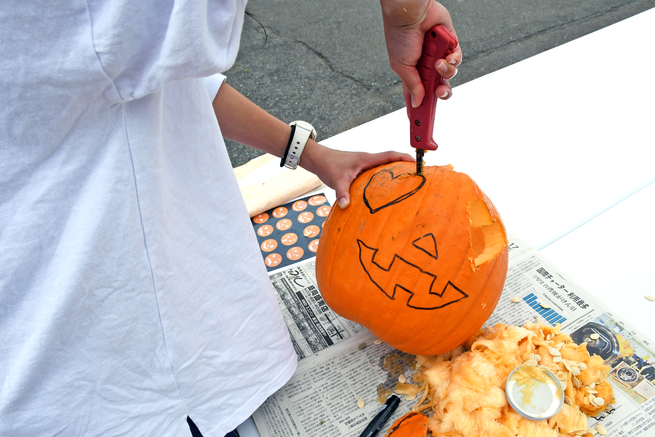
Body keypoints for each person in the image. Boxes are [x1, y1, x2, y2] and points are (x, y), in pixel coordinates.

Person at [0, 0, 460, 435]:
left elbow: (173, 78)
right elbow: (179, 32)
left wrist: (313, 155)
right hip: (121, 377)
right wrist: (405, 10)